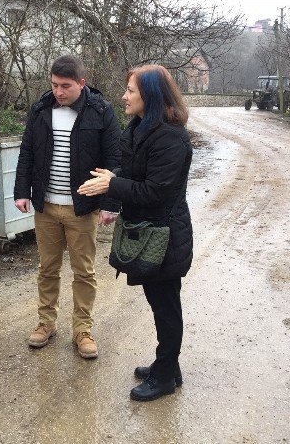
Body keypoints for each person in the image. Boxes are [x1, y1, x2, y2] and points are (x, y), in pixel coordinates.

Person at [77, 64, 193, 401]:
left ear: (151, 97)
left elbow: (155, 191)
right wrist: (110, 185)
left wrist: (112, 183)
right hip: (149, 231)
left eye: (131, 91)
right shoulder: (140, 127)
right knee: (160, 304)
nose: (124, 96)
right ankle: (168, 365)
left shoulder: (170, 137)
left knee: (166, 306)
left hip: (166, 235)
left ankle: (166, 375)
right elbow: (131, 172)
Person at [14, 54, 121, 359]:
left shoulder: (100, 111)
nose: (58, 91)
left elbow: (115, 161)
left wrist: (110, 203)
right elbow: (27, 153)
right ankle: (46, 323)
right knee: (47, 268)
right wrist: (22, 191)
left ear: (81, 83)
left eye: (65, 86)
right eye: (54, 85)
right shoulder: (41, 109)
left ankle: (82, 330)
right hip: (46, 207)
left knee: (84, 271)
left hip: (81, 209)